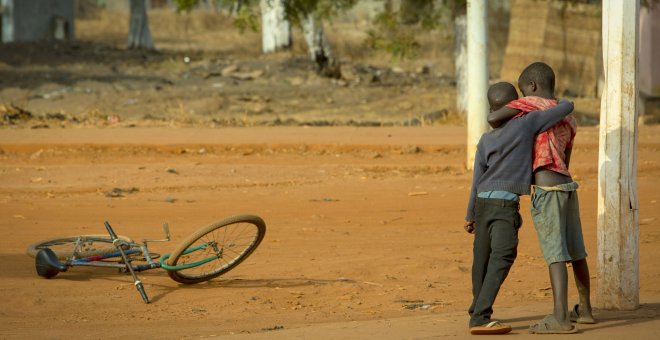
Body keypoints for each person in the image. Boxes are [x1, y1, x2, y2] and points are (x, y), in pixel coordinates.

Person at [489, 62, 596, 334]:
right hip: (567, 185)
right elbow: (566, 158)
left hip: (546, 190)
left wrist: (515, 107)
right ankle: (585, 310)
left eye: (522, 89)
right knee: (577, 251)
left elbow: (493, 118)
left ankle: (560, 317)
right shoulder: (568, 117)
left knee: (555, 254)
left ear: (532, 87)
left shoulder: (530, 103)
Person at [465, 81, 575, 335]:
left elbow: (476, 179)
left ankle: (477, 310)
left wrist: (470, 214)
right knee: (504, 255)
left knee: (481, 257)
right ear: (517, 105)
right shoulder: (526, 124)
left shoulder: (485, 138)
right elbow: (564, 109)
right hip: (504, 204)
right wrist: (563, 101)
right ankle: (480, 317)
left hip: (482, 202)